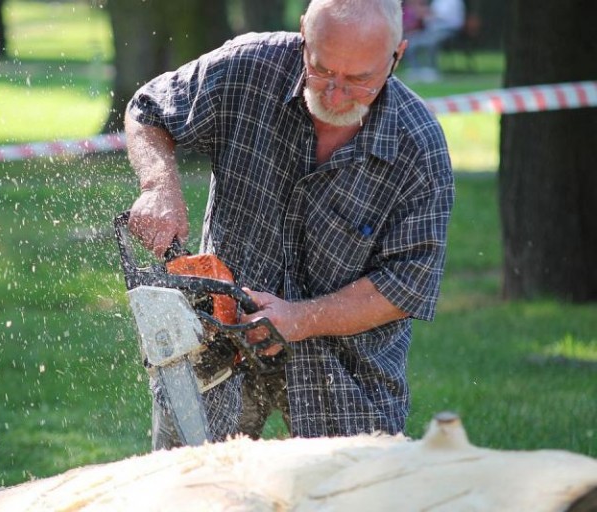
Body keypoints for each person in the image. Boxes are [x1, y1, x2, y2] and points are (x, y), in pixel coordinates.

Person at [124, 0, 454, 450]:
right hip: (218, 336)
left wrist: (300, 318)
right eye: (322, 70)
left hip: (345, 364)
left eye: (359, 80)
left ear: (396, 55)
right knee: (187, 480)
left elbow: (406, 285)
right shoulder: (247, 68)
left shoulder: (418, 147)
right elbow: (148, 110)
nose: (335, 95)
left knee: (352, 483)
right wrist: (158, 186)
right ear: (303, 34)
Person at [402, 0, 466, 82]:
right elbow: (429, 18)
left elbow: (444, 17)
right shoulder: (437, 1)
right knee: (412, 41)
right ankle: (416, 70)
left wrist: (426, 13)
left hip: (449, 29)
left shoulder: (454, 2)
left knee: (432, 41)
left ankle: (432, 70)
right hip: (431, 30)